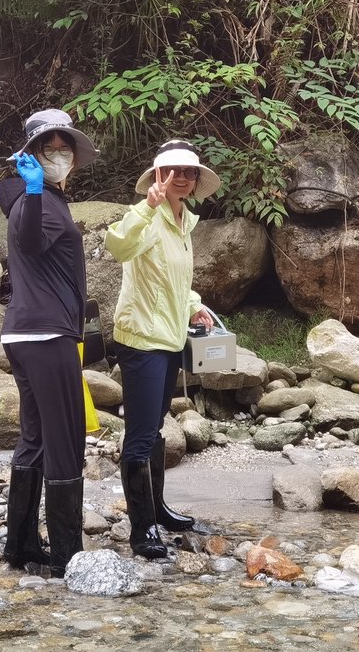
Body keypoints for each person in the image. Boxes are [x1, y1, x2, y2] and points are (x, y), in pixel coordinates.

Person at [0, 108, 98, 577]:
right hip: (46, 333)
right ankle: (66, 556)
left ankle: (20, 546)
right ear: (31, 153)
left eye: (64, 146)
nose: (57, 153)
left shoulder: (40, 199)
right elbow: (32, 243)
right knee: (66, 437)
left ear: (73, 154)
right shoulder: (37, 200)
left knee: (35, 436)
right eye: (47, 146)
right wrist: (36, 191)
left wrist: (36, 192)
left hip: (25, 332)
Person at [105, 139, 221, 559]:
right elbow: (117, 246)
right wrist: (145, 206)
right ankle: (142, 530)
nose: (184, 179)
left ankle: (158, 510)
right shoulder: (148, 216)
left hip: (170, 338)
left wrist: (194, 305)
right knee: (139, 437)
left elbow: (175, 280)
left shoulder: (184, 222)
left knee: (153, 431)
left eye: (190, 173)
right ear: (158, 177)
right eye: (174, 172)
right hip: (142, 340)